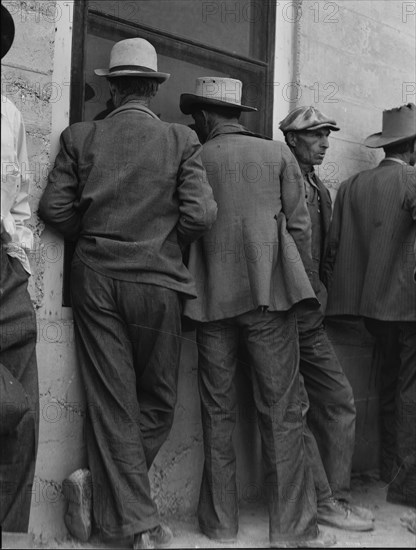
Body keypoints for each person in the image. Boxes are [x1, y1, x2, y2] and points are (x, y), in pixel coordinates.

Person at [39, 38, 217, 549]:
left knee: (113, 402)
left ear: (114, 89)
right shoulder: (182, 140)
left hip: (95, 280)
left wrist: (93, 236)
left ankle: (99, 487)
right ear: (153, 90)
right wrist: (163, 243)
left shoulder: (81, 135)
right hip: (158, 282)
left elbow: (54, 210)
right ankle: (138, 525)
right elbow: (202, 215)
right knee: (158, 402)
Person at [180, 77, 335, 548]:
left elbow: (186, 224)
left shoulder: (195, 156)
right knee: (283, 412)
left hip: (209, 302)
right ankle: (290, 529)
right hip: (269, 297)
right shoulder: (277, 154)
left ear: (207, 116)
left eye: (196, 117)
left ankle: (219, 524)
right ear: (238, 115)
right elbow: (300, 228)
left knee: (217, 411)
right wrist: (304, 289)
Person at [278, 106, 374, 531]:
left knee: (337, 401)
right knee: (295, 409)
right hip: (281, 314)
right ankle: (325, 502)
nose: (325, 143)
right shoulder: (279, 179)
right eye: (315, 136)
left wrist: (325, 293)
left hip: (311, 314)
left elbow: (328, 250)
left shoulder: (320, 188)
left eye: (326, 136)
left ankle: (337, 498)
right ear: (292, 139)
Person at [324, 102, 416, 509]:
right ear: (413, 147)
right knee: (411, 390)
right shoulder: (413, 181)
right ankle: (405, 485)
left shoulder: (351, 185)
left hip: (367, 309)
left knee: (390, 384)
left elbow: (333, 250)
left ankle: (388, 469)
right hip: (408, 308)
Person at [0, 3, 39, 533]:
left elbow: (21, 199)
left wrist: (19, 262)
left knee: (20, 411)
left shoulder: (8, 113)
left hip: (4, 271)